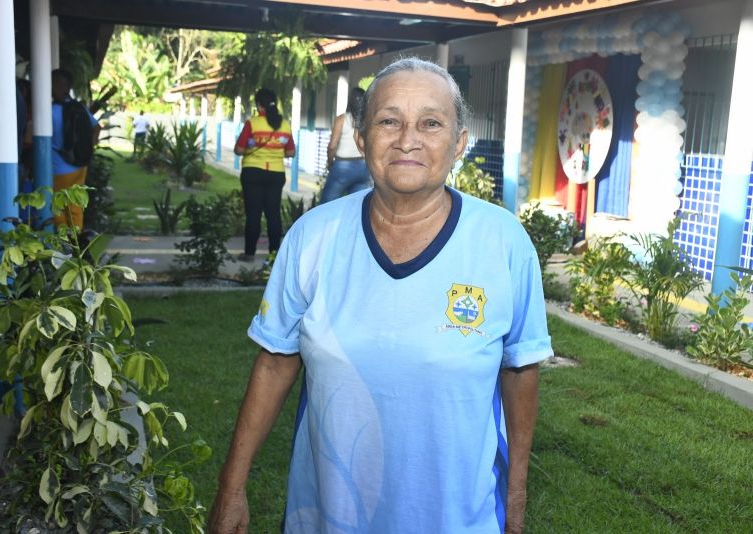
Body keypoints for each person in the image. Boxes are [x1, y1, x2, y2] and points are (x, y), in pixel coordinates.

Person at [209, 58, 552, 534]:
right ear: (361, 136)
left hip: (458, 518)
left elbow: (520, 371)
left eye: (430, 123)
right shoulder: (313, 237)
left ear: (459, 144)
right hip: (329, 516)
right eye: (389, 120)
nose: (408, 139)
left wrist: (515, 503)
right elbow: (274, 362)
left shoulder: (503, 242)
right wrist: (232, 486)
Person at [233, 88, 295, 262]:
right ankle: (274, 255)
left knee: (253, 214)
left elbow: (238, 150)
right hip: (276, 174)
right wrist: (275, 150)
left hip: (252, 173)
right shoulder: (285, 125)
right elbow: (290, 153)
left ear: (259, 105)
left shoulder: (252, 124)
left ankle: (249, 253)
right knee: (273, 214)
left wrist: (253, 147)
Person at [51, 68, 100, 228]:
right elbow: (96, 127)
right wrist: (87, 149)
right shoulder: (79, 108)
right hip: (80, 166)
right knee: (76, 207)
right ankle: (77, 242)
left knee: (58, 208)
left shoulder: (49, 112)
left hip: (59, 170)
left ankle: (64, 246)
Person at [320, 87, 372, 203]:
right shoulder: (368, 121)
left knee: (327, 205)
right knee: (356, 208)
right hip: (364, 167)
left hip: (342, 166)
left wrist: (330, 163)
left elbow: (332, 145)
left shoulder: (342, 119)